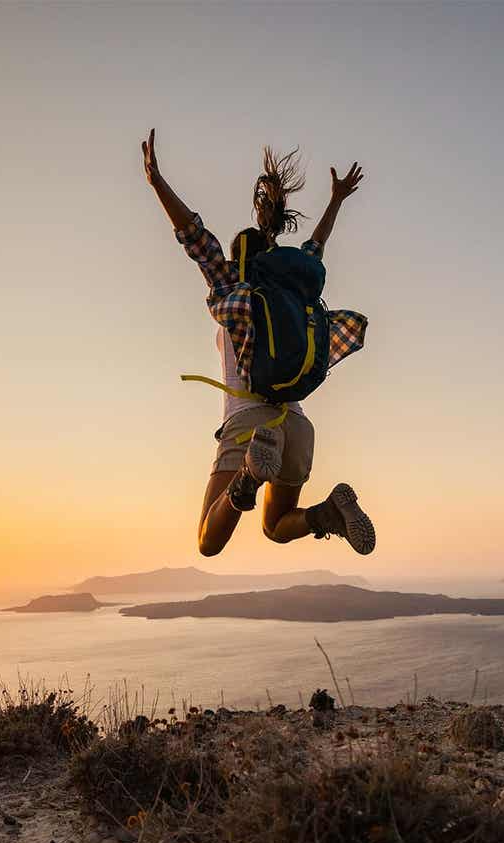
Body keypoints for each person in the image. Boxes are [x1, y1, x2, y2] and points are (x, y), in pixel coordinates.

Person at [141, 128, 375, 557]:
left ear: (236, 259)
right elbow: (316, 245)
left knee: (208, 541)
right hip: (298, 426)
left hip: (250, 424)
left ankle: (247, 480)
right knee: (276, 526)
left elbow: (195, 238)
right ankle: (327, 514)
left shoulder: (233, 288)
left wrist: (157, 183)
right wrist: (337, 199)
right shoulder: (293, 289)